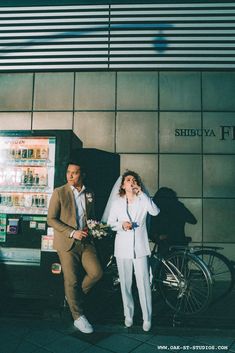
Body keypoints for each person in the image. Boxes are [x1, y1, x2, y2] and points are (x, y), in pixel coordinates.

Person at [47, 161, 103, 334]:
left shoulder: (90, 193)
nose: (70, 176)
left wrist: (96, 228)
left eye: (75, 173)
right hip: (67, 242)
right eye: (68, 172)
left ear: (82, 175)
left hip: (86, 242)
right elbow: (51, 219)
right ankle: (78, 316)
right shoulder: (59, 192)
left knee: (97, 273)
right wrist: (72, 232)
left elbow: (91, 216)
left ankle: (72, 299)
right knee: (71, 280)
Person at [104, 171, 160, 332]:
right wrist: (121, 225)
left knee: (143, 284)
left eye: (134, 180)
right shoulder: (117, 203)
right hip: (122, 248)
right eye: (128, 180)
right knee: (126, 284)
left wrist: (141, 193)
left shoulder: (143, 200)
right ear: (123, 185)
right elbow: (109, 224)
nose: (132, 182)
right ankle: (128, 315)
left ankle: (147, 318)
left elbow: (155, 212)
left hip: (140, 248)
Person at [149, 187, 197, 256]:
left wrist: (157, 237)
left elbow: (151, 228)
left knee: (164, 265)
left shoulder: (157, 208)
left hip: (164, 242)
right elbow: (193, 220)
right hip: (180, 241)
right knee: (180, 264)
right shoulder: (178, 205)